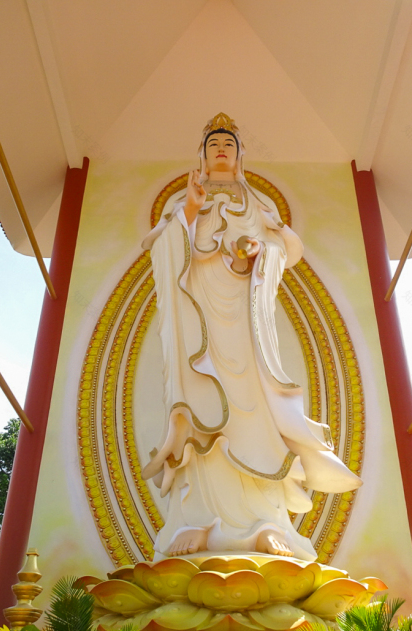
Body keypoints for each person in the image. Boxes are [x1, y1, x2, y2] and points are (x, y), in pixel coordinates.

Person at [141, 113, 362, 561]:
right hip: (198, 313)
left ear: (240, 154)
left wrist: (260, 255)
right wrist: (188, 211)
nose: (221, 149)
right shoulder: (184, 202)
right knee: (202, 409)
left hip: (245, 317)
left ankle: (265, 522)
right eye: (213, 144)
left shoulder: (256, 203)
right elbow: (162, 248)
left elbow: (282, 248)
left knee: (252, 409)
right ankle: (198, 520)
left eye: (228, 143)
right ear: (201, 155)